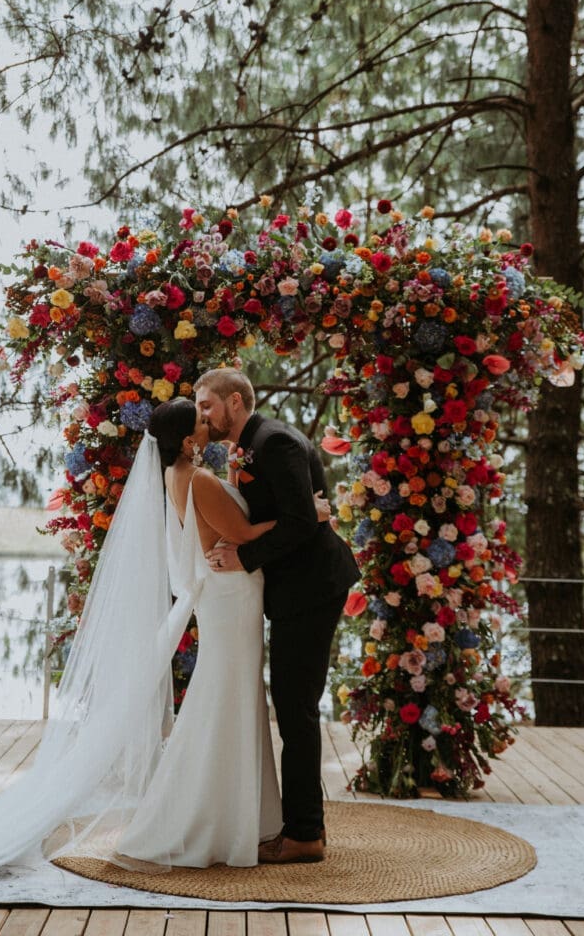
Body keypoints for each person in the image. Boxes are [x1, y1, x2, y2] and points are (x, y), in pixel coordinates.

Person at [0, 397, 329, 887]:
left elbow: (225, 529)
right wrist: (313, 515)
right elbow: (240, 534)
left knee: (232, 703)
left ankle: (241, 817)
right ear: (188, 438)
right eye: (200, 418)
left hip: (230, 599)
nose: (207, 421)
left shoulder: (184, 476)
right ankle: (198, 819)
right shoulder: (195, 478)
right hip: (230, 598)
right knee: (223, 704)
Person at [194, 368, 361, 865]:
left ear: (236, 402)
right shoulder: (253, 444)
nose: (203, 415)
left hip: (311, 588)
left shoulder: (276, 443)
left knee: (296, 709)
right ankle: (303, 825)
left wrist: (243, 559)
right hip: (295, 590)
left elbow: (302, 523)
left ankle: (305, 834)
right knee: (293, 705)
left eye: (207, 405)